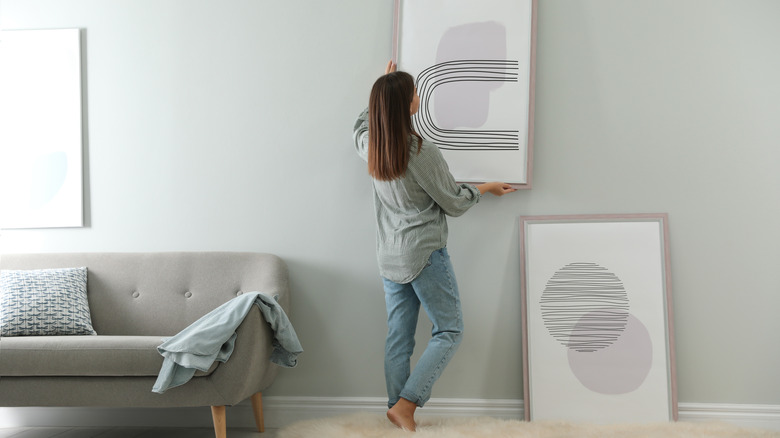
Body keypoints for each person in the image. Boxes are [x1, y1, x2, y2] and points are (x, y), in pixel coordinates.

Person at [352, 61, 516, 432]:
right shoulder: (420, 152)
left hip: (389, 255)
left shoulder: (371, 145)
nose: (418, 97)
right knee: (450, 330)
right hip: (423, 253)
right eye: (412, 93)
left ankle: (396, 410)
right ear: (403, 105)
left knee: (399, 336)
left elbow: (360, 127)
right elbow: (454, 203)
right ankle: (407, 405)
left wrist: (381, 86)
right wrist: (486, 188)